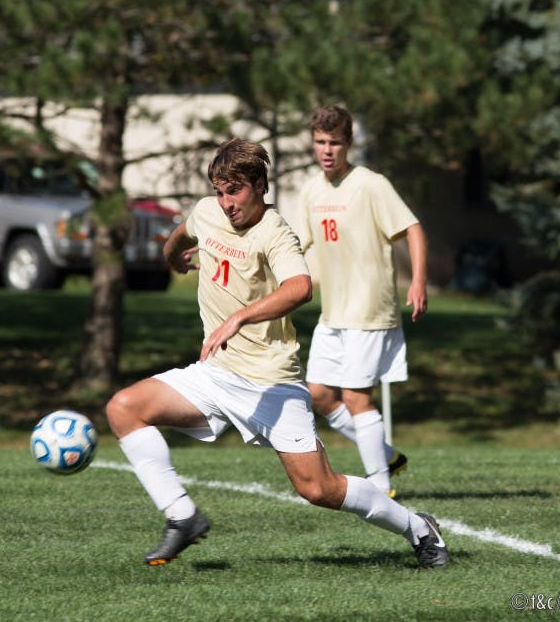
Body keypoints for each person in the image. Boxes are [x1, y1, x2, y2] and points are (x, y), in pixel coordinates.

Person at [105, 137, 448, 569]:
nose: (226, 202)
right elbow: (180, 236)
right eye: (219, 190)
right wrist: (173, 259)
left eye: (235, 191)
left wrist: (239, 318)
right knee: (124, 408)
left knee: (318, 490)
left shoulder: (275, 232)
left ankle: (418, 527)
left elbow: (299, 288)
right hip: (214, 374)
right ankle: (182, 516)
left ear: (260, 186)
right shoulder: (207, 213)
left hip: (271, 382)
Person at [297, 105, 428, 498]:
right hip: (333, 312)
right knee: (317, 394)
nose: (327, 150)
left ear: (349, 144)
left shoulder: (371, 184)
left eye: (335, 142)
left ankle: (381, 486)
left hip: (371, 309)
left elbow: (413, 229)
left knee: (356, 398)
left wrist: (419, 281)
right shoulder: (311, 190)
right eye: (320, 142)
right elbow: (292, 244)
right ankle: (385, 455)